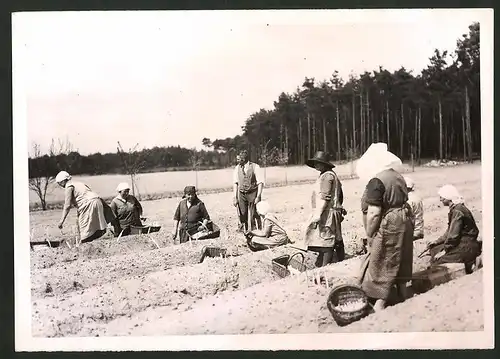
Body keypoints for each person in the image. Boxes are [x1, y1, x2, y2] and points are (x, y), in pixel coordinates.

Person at [356, 143, 414, 312]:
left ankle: (380, 302)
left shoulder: (376, 181)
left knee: (383, 258)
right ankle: (403, 295)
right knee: (402, 255)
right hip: (404, 218)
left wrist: (370, 233)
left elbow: (374, 212)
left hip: (390, 222)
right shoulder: (398, 176)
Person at [293, 151, 346, 267]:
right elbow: (340, 195)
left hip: (328, 212)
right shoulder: (330, 175)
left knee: (326, 238)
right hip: (332, 210)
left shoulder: (327, 177)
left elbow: (325, 198)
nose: (316, 165)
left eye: (318, 163)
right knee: (335, 237)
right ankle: (341, 261)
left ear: (324, 164)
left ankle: (325, 265)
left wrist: (318, 214)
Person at [427, 184, 481, 274]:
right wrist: (436, 242)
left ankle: (471, 262)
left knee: (437, 262)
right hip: (464, 242)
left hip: (466, 245)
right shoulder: (456, 209)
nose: (440, 199)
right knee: (434, 249)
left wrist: (444, 250)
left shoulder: (457, 211)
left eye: (442, 197)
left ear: (448, 198)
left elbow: (453, 235)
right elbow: (449, 232)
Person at [55, 171, 118, 242]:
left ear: (63, 181)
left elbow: (67, 205)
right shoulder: (78, 183)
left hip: (88, 204)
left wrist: (62, 221)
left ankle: (86, 244)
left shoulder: (69, 186)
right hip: (97, 201)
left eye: (59, 183)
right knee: (95, 226)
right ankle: (99, 236)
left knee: (85, 232)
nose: (59, 185)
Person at [232, 150, 264, 232]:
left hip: (252, 193)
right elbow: (235, 183)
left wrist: (258, 196)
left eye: (241, 159)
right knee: (242, 214)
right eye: (238, 159)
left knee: (254, 214)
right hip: (242, 194)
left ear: (245, 159)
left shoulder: (255, 167)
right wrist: (235, 197)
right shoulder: (237, 168)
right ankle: (244, 231)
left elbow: (260, 182)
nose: (239, 160)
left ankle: (257, 231)